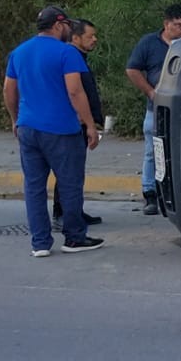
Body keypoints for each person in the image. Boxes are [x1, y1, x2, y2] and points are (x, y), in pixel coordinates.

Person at [2, 6, 104, 257]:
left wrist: (15, 119)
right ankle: (74, 238)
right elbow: (75, 91)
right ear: (58, 25)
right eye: (67, 25)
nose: (69, 29)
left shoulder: (19, 52)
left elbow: (8, 90)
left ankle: (40, 243)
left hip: (28, 127)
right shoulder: (67, 52)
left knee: (34, 187)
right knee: (70, 184)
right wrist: (90, 125)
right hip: (62, 129)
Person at [126, 3, 181, 215]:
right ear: (166, 24)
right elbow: (132, 69)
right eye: (179, 25)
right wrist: (150, 92)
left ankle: (178, 193)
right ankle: (150, 193)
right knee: (152, 151)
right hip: (157, 109)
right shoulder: (149, 43)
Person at [53, 18, 103, 227]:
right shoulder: (70, 56)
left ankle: (74, 211)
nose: (94, 39)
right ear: (75, 38)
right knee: (68, 170)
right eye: (90, 36)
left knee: (75, 170)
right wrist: (87, 121)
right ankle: (62, 213)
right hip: (73, 123)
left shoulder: (79, 57)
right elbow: (74, 91)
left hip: (80, 122)